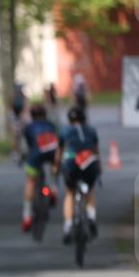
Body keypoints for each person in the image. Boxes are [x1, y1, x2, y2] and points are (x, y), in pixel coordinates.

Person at [55, 106, 100, 244]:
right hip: (89, 162)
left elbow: (59, 153)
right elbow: (97, 152)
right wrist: (99, 169)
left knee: (69, 192)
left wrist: (56, 168)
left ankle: (68, 226)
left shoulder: (64, 130)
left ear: (69, 119)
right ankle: (91, 216)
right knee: (90, 190)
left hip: (71, 162)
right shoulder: (91, 130)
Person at [20, 104, 59, 232]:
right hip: (52, 152)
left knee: (30, 181)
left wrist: (22, 158)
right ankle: (53, 189)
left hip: (36, 154)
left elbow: (26, 146)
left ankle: (27, 216)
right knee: (54, 166)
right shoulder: (51, 125)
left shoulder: (28, 127)